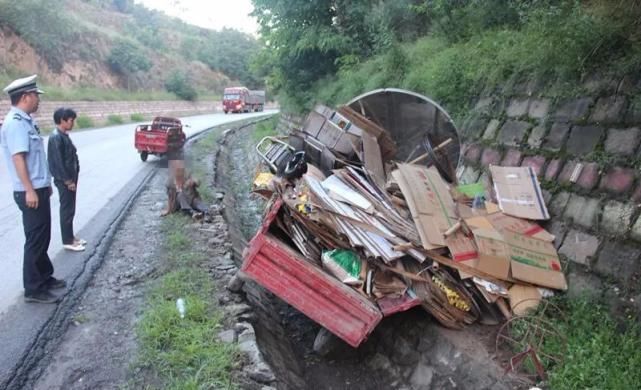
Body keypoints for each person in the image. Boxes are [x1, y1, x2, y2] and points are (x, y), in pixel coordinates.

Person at [0, 75, 65, 304]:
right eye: (36, 96)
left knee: (43, 234)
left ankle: (45, 277)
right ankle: (34, 289)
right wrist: (29, 190)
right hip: (29, 190)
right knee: (35, 238)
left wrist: (43, 185)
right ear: (26, 97)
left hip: (38, 187)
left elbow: (35, 160)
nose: (38, 100)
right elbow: (18, 158)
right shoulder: (16, 123)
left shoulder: (25, 120)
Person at [48, 108, 86, 251]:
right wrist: (68, 181)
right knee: (67, 209)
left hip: (70, 178)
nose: (72, 123)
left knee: (71, 208)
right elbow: (57, 163)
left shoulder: (63, 135)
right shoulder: (56, 137)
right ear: (62, 120)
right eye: (71, 120)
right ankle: (67, 240)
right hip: (65, 181)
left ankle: (70, 236)